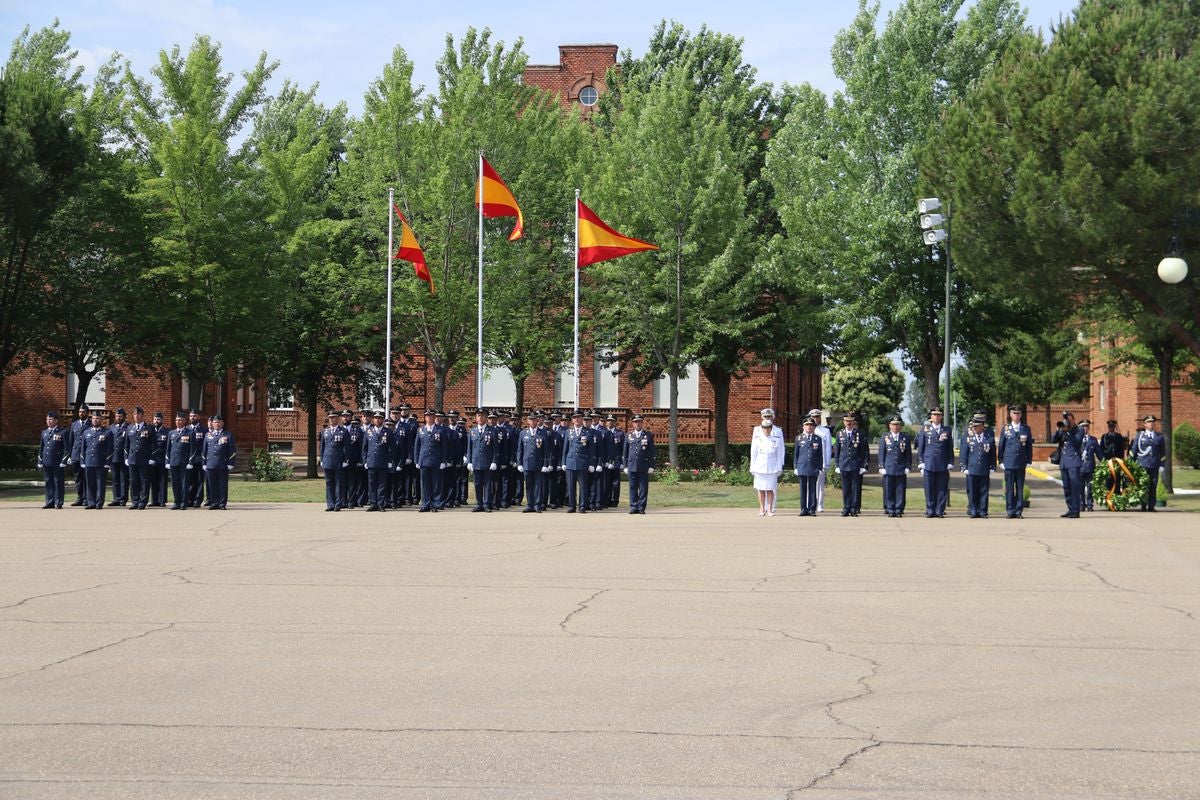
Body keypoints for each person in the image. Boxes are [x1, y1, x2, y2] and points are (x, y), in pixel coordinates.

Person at [916, 407, 954, 517]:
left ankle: (939, 510)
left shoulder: (946, 430)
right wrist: (921, 462)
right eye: (934, 415)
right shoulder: (925, 429)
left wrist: (950, 461)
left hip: (942, 463)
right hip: (929, 463)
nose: (936, 417)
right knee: (929, 488)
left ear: (941, 416)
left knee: (942, 488)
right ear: (930, 417)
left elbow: (949, 447)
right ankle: (930, 510)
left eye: (938, 415)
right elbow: (921, 448)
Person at [997, 405, 1033, 519]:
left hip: (1021, 462)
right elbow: (1001, 445)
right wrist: (1001, 460)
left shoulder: (1026, 428)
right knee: (1009, 488)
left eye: (1018, 413)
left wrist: (1029, 460)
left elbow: (1029, 446)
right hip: (1009, 462)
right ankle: (1010, 510)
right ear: (1011, 415)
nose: (1016, 415)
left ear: (1021, 415)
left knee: (1020, 488)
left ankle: (1018, 511)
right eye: (1014, 413)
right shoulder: (1006, 428)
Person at [750, 408, 786, 516]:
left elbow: (781, 450)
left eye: (769, 416)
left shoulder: (778, 431)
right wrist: (752, 466)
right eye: (765, 416)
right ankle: (762, 508)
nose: (767, 419)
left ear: (773, 417)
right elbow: (753, 451)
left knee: (771, 488)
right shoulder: (756, 430)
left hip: (772, 465)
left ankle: (770, 508)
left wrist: (781, 465)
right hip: (760, 466)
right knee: (761, 488)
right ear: (762, 417)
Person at [959, 413, 996, 518]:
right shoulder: (969, 438)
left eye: (977, 426)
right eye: (973, 426)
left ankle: (983, 510)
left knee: (984, 490)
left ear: (982, 427)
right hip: (972, 468)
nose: (974, 428)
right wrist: (964, 466)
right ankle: (973, 509)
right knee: (972, 491)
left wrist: (992, 466)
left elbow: (993, 453)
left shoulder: (988, 437)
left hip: (984, 468)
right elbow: (964, 453)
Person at [833, 412, 869, 517]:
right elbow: (837, 451)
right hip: (844, 465)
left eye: (850, 421)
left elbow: (864, 451)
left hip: (855, 465)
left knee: (855, 488)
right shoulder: (839, 434)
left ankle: (854, 508)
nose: (849, 423)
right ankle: (846, 507)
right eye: (847, 421)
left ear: (853, 422)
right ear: (844, 422)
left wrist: (864, 465)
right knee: (845, 488)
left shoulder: (860, 434)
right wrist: (837, 465)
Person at [516, 411, 551, 512]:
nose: (532, 421)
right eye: (530, 419)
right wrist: (519, 463)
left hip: (539, 464)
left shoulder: (543, 433)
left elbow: (546, 450)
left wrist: (546, 464)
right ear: (528, 421)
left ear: (537, 420)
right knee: (528, 485)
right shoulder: (523, 433)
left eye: (534, 419)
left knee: (538, 485)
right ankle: (530, 505)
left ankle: (537, 505)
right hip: (526, 463)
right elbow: (520, 449)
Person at [878, 414, 912, 517]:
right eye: (893, 425)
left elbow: (908, 454)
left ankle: (899, 509)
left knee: (900, 490)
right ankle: (890, 508)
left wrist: (908, 466)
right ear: (889, 426)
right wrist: (881, 466)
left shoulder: (905, 437)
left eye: (898, 425)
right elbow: (881, 453)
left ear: (900, 426)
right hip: (888, 467)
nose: (895, 427)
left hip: (901, 468)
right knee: (889, 489)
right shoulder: (885, 437)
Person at [563, 410, 597, 513]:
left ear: (582, 419)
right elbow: (565, 449)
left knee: (583, 486)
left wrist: (591, 463)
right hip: (570, 462)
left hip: (583, 462)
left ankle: (582, 506)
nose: (577, 419)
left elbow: (591, 450)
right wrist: (563, 462)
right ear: (572, 420)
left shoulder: (588, 432)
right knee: (571, 486)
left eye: (578, 417)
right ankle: (572, 506)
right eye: (575, 418)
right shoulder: (568, 432)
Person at [1052, 411, 1085, 518]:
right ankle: (1070, 509)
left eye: (1069, 420)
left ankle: (1076, 510)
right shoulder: (1063, 430)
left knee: (1074, 487)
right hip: (1064, 462)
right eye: (1066, 420)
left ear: (1073, 420)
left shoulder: (1079, 430)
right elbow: (1053, 440)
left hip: (1074, 462)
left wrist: (1068, 431)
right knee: (1066, 487)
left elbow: (1077, 442)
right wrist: (1058, 429)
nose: (1067, 422)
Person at [793, 416, 827, 516]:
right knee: (803, 489)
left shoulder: (818, 439)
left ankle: (812, 509)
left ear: (814, 427)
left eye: (811, 425)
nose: (809, 427)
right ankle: (803, 509)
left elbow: (820, 455)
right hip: (802, 466)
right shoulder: (799, 438)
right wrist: (795, 467)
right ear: (803, 426)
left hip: (814, 466)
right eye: (807, 425)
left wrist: (820, 467)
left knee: (813, 489)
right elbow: (796, 454)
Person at [414, 409, 447, 512]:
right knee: (424, 484)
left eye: (431, 416)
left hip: (436, 460)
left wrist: (443, 461)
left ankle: (435, 504)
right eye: (427, 416)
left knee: (436, 483)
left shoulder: (440, 430)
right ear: (425, 417)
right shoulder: (420, 430)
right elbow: (417, 446)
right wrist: (417, 461)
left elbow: (444, 447)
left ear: (434, 417)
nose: (429, 417)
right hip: (423, 460)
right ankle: (425, 504)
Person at [1132, 415, 1166, 512]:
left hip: (1154, 465)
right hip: (1142, 464)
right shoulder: (1140, 436)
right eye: (1149, 422)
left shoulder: (1159, 437)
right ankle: (1143, 505)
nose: (1151, 424)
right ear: (1145, 424)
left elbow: (1163, 453)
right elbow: (1134, 451)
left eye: (1152, 422)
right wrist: (1130, 463)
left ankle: (1151, 506)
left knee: (1153, 485)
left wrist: (1162, 466)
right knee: (1143, 485)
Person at [80, 409, 113, 509]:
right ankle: (91, 502)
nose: (95, 420)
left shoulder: (107, 432)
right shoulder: (86, 432)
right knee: (90, 484)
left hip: (101, 462)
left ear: (101, 420)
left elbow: (110, 449)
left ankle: (99, 503)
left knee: (100, 484)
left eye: (97, 418)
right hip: (89, 461)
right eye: (93, 418)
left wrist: (108, 461)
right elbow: (83, 448)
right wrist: (82, 461)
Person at [202, 413, 235, 510]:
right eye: (215, 422)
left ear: (222, 423)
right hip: (210, 464)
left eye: (219, 422)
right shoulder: (207, 435)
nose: (217, 424)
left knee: (222, 485)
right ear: (212, 423)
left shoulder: (228, 435)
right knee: (212, 485)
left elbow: (232, 450)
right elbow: (204, 450)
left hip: (223, 464)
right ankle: (214, 503)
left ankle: (222, 504)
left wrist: (230, 463)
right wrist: (204, 463)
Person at [623, 414, 655, 514]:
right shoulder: (628, 435)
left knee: (643, 488)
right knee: (632, 487)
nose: (637, 424)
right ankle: (633, 506)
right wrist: (625, 466)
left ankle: (641, 507)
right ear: (633, 423)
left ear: (642, 423)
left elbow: (652, 451)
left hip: (643, 465)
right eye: (635, 422)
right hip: (631, 465)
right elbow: (625, 452)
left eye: (639, 422)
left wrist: (652, 465)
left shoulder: (648, 435)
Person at [468, 410, 498, 511]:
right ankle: (479, 503)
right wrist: (469, 462)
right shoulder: (472, 431)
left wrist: (494, 461)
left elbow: (495, 448)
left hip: (488, 462)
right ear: (476, 418)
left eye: (483, 416)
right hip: (476, 462)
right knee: (477, 484)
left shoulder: (493, 430)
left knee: (487, 484)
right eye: (479, 416)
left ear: (486, 418)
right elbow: (469, 448)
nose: (480, 418)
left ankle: (486, 504)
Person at [124, 407, 154, 510]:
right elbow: (126, 445)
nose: (136, 416)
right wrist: (126, 457)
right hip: (132, 458)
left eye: (138, 414)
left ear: (142, 415)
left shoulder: (149, 428)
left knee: (144, 481)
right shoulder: (129, 428)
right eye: (135, 414)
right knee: (133, 481)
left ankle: (143, 501)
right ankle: (135, 501)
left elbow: (153, 444)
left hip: (144, 459)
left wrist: (152, 457)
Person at [38, 410, 69, 509]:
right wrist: (40, 460)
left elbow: (66, 449)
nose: (48, 421)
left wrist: (64, 461)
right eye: (47, 419)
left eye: (51, 419)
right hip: (47, 461)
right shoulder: (45, 432)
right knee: (48, 482)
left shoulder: (62, 432)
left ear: (56, 421)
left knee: (58, 482)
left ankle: (58, 502)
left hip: (57, 462)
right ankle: (49, 501)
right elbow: (41, 448)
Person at [363, 410, 392, 512]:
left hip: (383, 461)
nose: (377, 420)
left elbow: (392, 448)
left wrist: (390, 461)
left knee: (382, 484)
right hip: (371, 461)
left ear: (382, 420)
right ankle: (373, 503)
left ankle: (381, 504)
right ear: (373, 419)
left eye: (379, 418)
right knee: (372, 484)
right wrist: (365, 461)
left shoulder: (388, 432)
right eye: (376, 418)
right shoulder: (368, 431)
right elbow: (364, 448)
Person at [319, 410, 348, 511]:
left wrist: (346, 460)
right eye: (330, 418)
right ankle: (330, 504)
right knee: (329, 483)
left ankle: (338, 504)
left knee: (338, 484)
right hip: (327, 460)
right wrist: (321, 459)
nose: (331, 420)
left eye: (334, 418)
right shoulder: (325, 431)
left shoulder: (343, 431)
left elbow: (346, 447)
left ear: (338, 419)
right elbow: (322, 447)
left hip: (338, 461)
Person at [808, 408, 833, 513]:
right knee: (809, 483)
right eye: (813, 417)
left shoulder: (825, 431)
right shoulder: (807, 429)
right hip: (810, 462)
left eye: (817, 417)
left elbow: (828, 448)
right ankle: (809, 503)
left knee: (820, 485)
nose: (815, 419)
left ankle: (819, 504)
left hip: (820, 461)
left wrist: (826, 463)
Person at [165, 410, 191, 509]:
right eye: (176, 420)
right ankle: (177, 501)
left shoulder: (189, 433)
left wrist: (190, 461)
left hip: (184, 462)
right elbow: (168, 449)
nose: (178, 422)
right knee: (175, 483)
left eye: (180, 420)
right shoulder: (171, 433)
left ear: (185, 421)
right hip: (174, 461)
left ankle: (184, 502)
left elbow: (192, 449)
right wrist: (167, 461)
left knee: (184, 483)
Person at [68, 404, 90, 506]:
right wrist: (70, 455)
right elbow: (71, 441)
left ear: (87, 413)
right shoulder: (74, 425)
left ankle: (86, 498)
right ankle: (79, 497)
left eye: (83, 412)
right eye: (80, 412)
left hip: (86, 455)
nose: (81, 413)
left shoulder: (90, 424)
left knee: (86, 477)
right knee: (77, 477)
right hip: (76, 455)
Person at [185, 409, 208, 508]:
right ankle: (189, 499)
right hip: (189, 459)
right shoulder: (186, 429)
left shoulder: (204, 430)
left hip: (199, 459)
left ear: (198, 417)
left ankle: (198, 500)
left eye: (194, 416)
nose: (192, 418)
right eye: (190, 416)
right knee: (189, 480)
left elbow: (205, 445)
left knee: (199, 480)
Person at [108, 407, 130, 506]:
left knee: (123, 479)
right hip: (113, 457)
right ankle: (116, 498)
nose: (118, 418)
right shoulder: (111, 427)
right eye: (117, 416)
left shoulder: (128, 427)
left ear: (124, 417)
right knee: (115, 479)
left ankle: (123, 499)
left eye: (120, 416)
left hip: (123, 457)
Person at [1079, 419, 1100, 511]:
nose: (1085, 428)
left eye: (1087, 426)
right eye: (1083, 426)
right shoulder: (1076, 439)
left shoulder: (1093, 440)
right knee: (1080, 487)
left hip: (1090, 468)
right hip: (1079, 467)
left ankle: (1090, 505)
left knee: (1090, 487)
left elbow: (1099, 453)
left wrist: (1105, 462)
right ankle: (1081, 504)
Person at [149, 411, 169, 507]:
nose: (156, 421)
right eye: (155, 419)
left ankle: (162, 500)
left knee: (162, 480)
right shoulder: (149, 430)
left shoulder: (167, 431)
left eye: (158, 419)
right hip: (152, 460)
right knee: (153, 480)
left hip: (162, 460)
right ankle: (154, 501)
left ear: (162, 420)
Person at [605, 415, 625, 508]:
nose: (610, 422)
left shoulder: (620, 433)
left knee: (616, 483)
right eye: (608, 421)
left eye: (612, 421)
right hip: (607, 461)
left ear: (615, 422)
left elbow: (623, 449)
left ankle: (615, 500)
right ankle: (607, 499)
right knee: (607, 481)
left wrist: (622, 462)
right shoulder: (603, 432)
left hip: (617, 461)